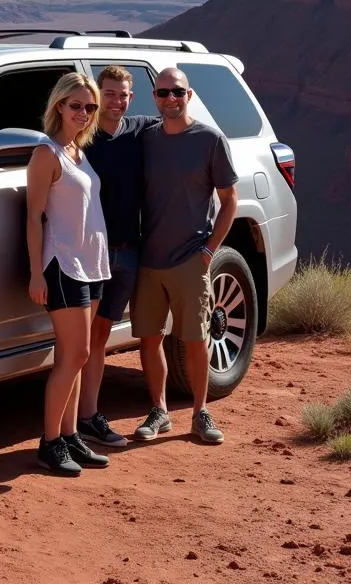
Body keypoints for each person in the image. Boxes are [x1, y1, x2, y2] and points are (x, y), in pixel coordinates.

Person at [132, 67, 238, 445]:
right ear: (155, 98)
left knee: (195, 339)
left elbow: (229, 202)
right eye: (162, 93)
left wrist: (209, 250)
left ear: (189, 95)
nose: (170, 99)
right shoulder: (146, 138)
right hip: (149, 259)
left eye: (177, 92)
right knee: (149, 339)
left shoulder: (209, 140)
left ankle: (200, 412)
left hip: (191, 259)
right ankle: (159, 411)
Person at [27, 71, 112, 476]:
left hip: (91, 263)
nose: (83, 113)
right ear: (58, 105)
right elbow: (33, 217)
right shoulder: (47, 154)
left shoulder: (78, 151)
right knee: (75, 354)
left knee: (74, 356)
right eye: (76, 105)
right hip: (62, 265)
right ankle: (49, 443)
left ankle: (69, 435)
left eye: (90, 107)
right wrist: (35, 273)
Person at [76, 65, 157, 449]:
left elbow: (183, 127)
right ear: (97, 94)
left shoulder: (141, 130)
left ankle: (87, 415)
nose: (117, 102)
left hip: (127, 253)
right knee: (83, 338)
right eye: (110, 94)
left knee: (101, 334)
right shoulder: (80, 138)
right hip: (89, 253)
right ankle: (81, 416)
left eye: (124, 95)